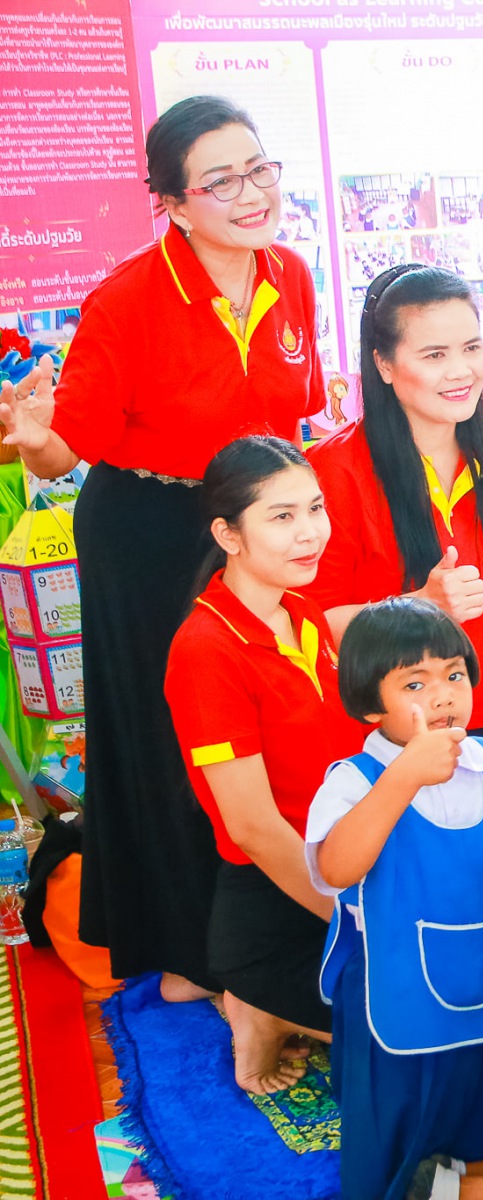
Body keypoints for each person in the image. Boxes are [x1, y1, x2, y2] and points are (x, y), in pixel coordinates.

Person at [0, 96, 324, 999]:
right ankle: (187, 955)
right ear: (174, 204)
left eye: (259, 170)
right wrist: (35, 437)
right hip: (147, 532)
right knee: (170, 737)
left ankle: (264, 932)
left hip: (251, 525)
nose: (251, 194)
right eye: (221, 181)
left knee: (262, 724)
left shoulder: (290, 276)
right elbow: (66, 447)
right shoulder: (129, 298)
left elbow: (292, 416)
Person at [308, 598, 483, 1200]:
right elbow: (334, 869)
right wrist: (405, 775)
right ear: (370, 703)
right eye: (415, 683)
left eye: (455, 675)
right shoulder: (354, 780)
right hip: (399, 999)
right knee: (401, 1128)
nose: (442, 695)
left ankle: (465, 1184)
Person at [165, 437, 363, 1093]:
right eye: (282, 517)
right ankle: (258, 1004)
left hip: (343, 869)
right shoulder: (206, 650)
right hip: (283, 905)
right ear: (228, 534)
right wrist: (355, 920)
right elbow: (252, 828)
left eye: (315, 508)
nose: (310, 532)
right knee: (416, 1029)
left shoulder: (299, 610)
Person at [307, 264, 483, 751]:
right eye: (434, 355)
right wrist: (417, 607)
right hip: (386, 740)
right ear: (383, 365)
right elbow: (304, 624)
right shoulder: (332, 472)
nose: (461, 371)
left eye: (471, 347)